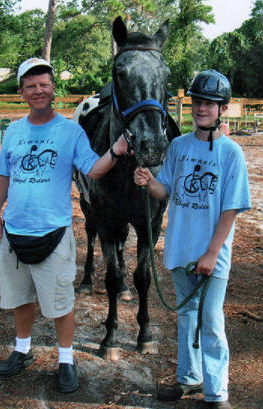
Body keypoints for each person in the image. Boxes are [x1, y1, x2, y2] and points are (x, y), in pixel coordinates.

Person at [0, 57, 129, 394]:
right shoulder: (15, 131)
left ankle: (66, 359)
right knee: (20, 298)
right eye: (31, 86)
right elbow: (5, 175)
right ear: (22, 92)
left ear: (53, 89)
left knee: (61, 303)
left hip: (54, 232)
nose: (38, 90)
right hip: (15, 231)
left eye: (44, 84)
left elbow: (93, 169)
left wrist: (118, 150)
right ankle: (22, 350)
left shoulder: (69, 131)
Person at [134, 69, 251, 409]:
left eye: (209, 104)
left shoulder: (231, 154)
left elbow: (230, 208)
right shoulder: (178, 146)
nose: (202, 109)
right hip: (180, 249)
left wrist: (212, 253)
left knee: (210, 320)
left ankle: (217, 393)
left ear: (222, 110)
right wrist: (148, 180)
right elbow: (164, 190)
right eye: (198, 103)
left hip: (210, 255)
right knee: (186, 318)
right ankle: (189, 377)